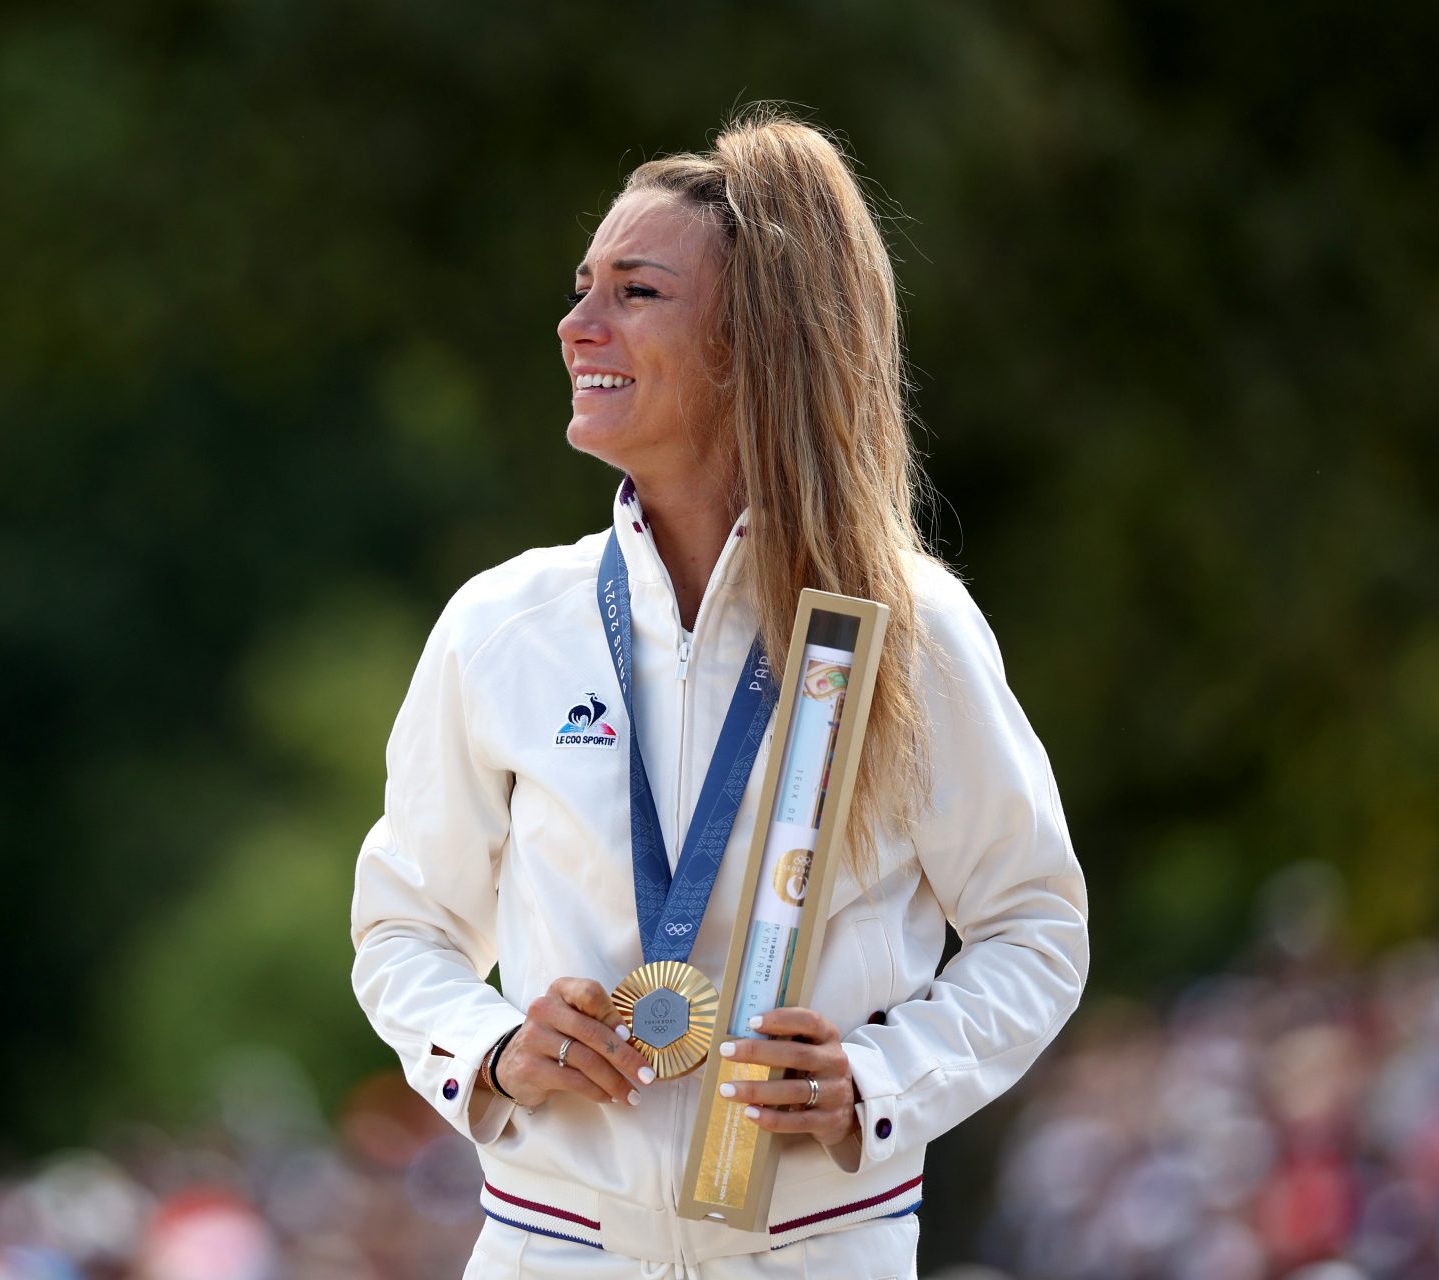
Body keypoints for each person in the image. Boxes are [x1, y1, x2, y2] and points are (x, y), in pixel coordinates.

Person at [350, 107, 1089, 1278]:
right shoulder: (504, 624)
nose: (575, 322)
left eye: (634, 292)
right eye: (581, 283)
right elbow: (403, 927)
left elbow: (1034, 922)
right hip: (553, 1252)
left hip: (816, 1252)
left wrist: (880, 1082)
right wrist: (491, 1049)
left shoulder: (910, 627)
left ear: (756, 341)